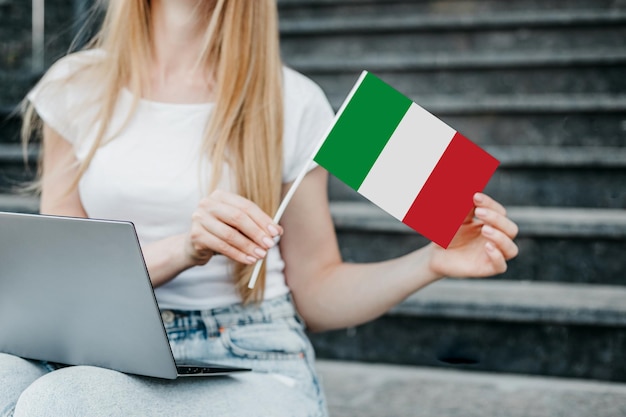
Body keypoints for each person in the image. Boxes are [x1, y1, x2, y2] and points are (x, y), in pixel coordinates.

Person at [0, 0, 519, 416]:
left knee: (66, 403)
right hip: (102, 345)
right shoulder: (76, 86)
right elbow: (65, 283)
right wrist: (183, 249)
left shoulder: (292, 100)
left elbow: (317, 293)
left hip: (246, 351)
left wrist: (430, 262)